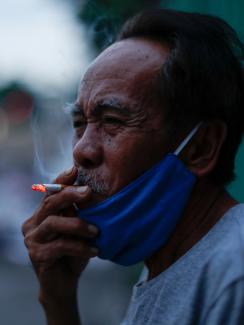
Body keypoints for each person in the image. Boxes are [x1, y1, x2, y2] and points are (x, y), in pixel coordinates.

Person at [22, 9, 244, 325]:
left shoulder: (233, 276)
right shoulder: (167, 262)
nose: (81, 149)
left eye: (112, 121)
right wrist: (58, 300)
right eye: (79, 123)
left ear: (200, 148)